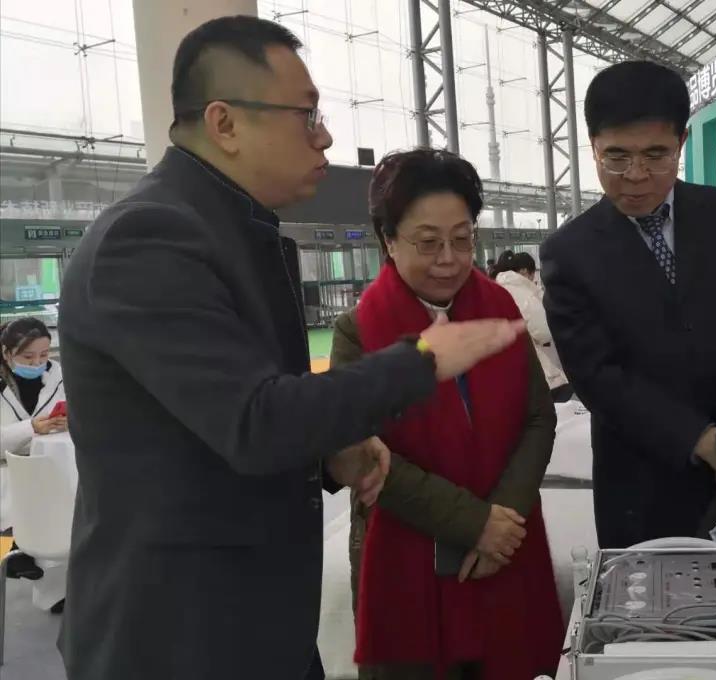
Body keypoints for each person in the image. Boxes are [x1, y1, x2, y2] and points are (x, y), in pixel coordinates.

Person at [56, 17, 522, 680]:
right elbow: (254, 420)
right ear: (224, 123)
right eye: (307, 116)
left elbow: (219, 418)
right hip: (179, 635)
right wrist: (422, 358)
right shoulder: (149, 240)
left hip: (254, 621)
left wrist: (330, 451)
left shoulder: (237, 234)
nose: (324, 136)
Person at [540, 61, 716, 551]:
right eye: (616, 157)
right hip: (643, 478)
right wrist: (710, 446)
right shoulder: (570, 252)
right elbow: (599, 377)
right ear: (593, 147)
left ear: (682, 142)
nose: (636, 176)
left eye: (656, 155)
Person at [336, 148, 562, 678]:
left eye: (462, 239)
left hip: (508, 545)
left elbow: (538, 418)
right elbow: (363, 458)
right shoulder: (359, 332)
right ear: (388, 240)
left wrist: (503, 521)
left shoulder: (500, 311)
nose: (449, 259)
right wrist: (474, 523)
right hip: (407, 560)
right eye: (428, 242)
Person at [0, 318, 68, 611]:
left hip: (50, 464)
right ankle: (18, 550)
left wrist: (66, 422)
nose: (38, 363)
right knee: (31, 502)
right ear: (6, 353)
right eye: (28, 357)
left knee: (62, 509)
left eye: (43, 354)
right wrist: (31, 428)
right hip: (6, 467)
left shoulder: (60, 376)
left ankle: (53, 590)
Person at [495, 252, 572, 402]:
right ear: (525, 271)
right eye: (533, 274)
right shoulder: (522, 293)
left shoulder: (496, 288)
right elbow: (544, 330)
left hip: (509, 372)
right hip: (540, 372)